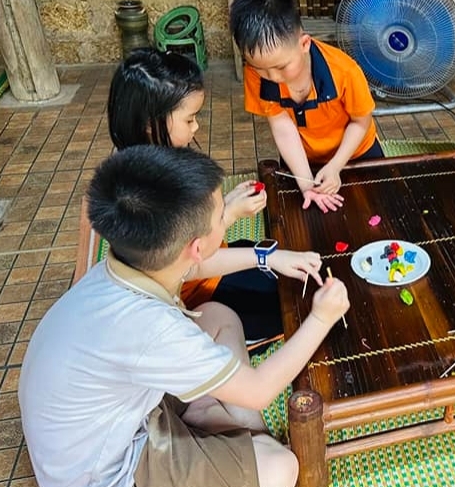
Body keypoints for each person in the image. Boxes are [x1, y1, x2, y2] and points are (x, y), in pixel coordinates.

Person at [19, 145, 350, 487]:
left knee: (216, 315)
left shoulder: (126, 263)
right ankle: (229, 434)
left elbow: (196, 267)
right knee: (281, 470)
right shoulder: (151, 327)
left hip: (115, 412)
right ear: (194, 245)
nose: (226, 221)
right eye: (221, 218)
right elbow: (260, 391)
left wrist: (268, 258)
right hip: (106, 483)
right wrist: (321, 317)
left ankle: (215, 425)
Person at [108, 48, 318, 342]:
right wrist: (238, 225)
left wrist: (229, 205)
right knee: (295, 306)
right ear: (149, 123)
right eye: (189, 119)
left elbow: (194, 235)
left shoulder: (139, 159)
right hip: (194, 295)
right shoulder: (143, 191)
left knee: (284, 268)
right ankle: (234, 333)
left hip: (205, 265)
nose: (196, 127)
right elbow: (189, 265)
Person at [230, 0, 382, 213]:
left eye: (281, 67)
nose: (272, 77)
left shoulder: (344, 71)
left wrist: (336, 166)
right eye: (260, 68)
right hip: (302, 159)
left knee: (373, 208)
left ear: (304, 44)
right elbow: (282, 127)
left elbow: (361, 122)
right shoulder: (256, 74)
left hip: (357, 154)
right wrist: (305, 182)